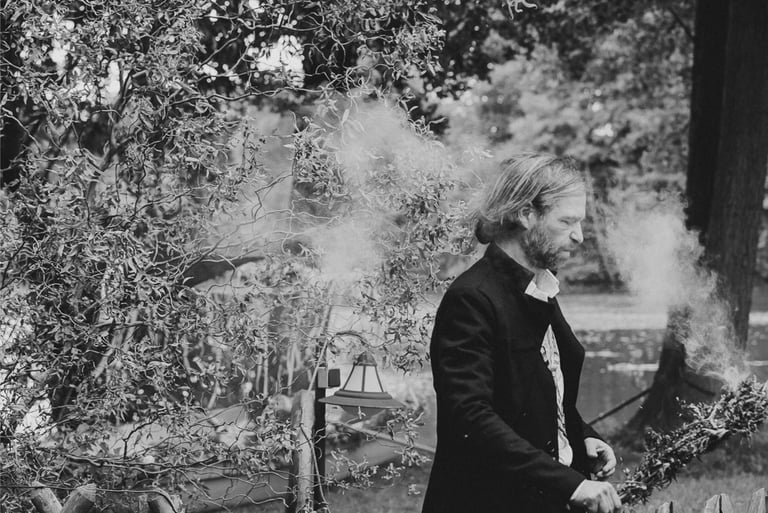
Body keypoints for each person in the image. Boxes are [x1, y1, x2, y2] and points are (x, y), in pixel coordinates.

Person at [422, 154, 622, 513]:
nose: (578, 236)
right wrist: (572, 484)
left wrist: (582, 436)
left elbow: (534, 397)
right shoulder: (472, 299)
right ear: (526, 214)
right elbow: (470, 419)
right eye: (567, 221)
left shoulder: (538, 290)